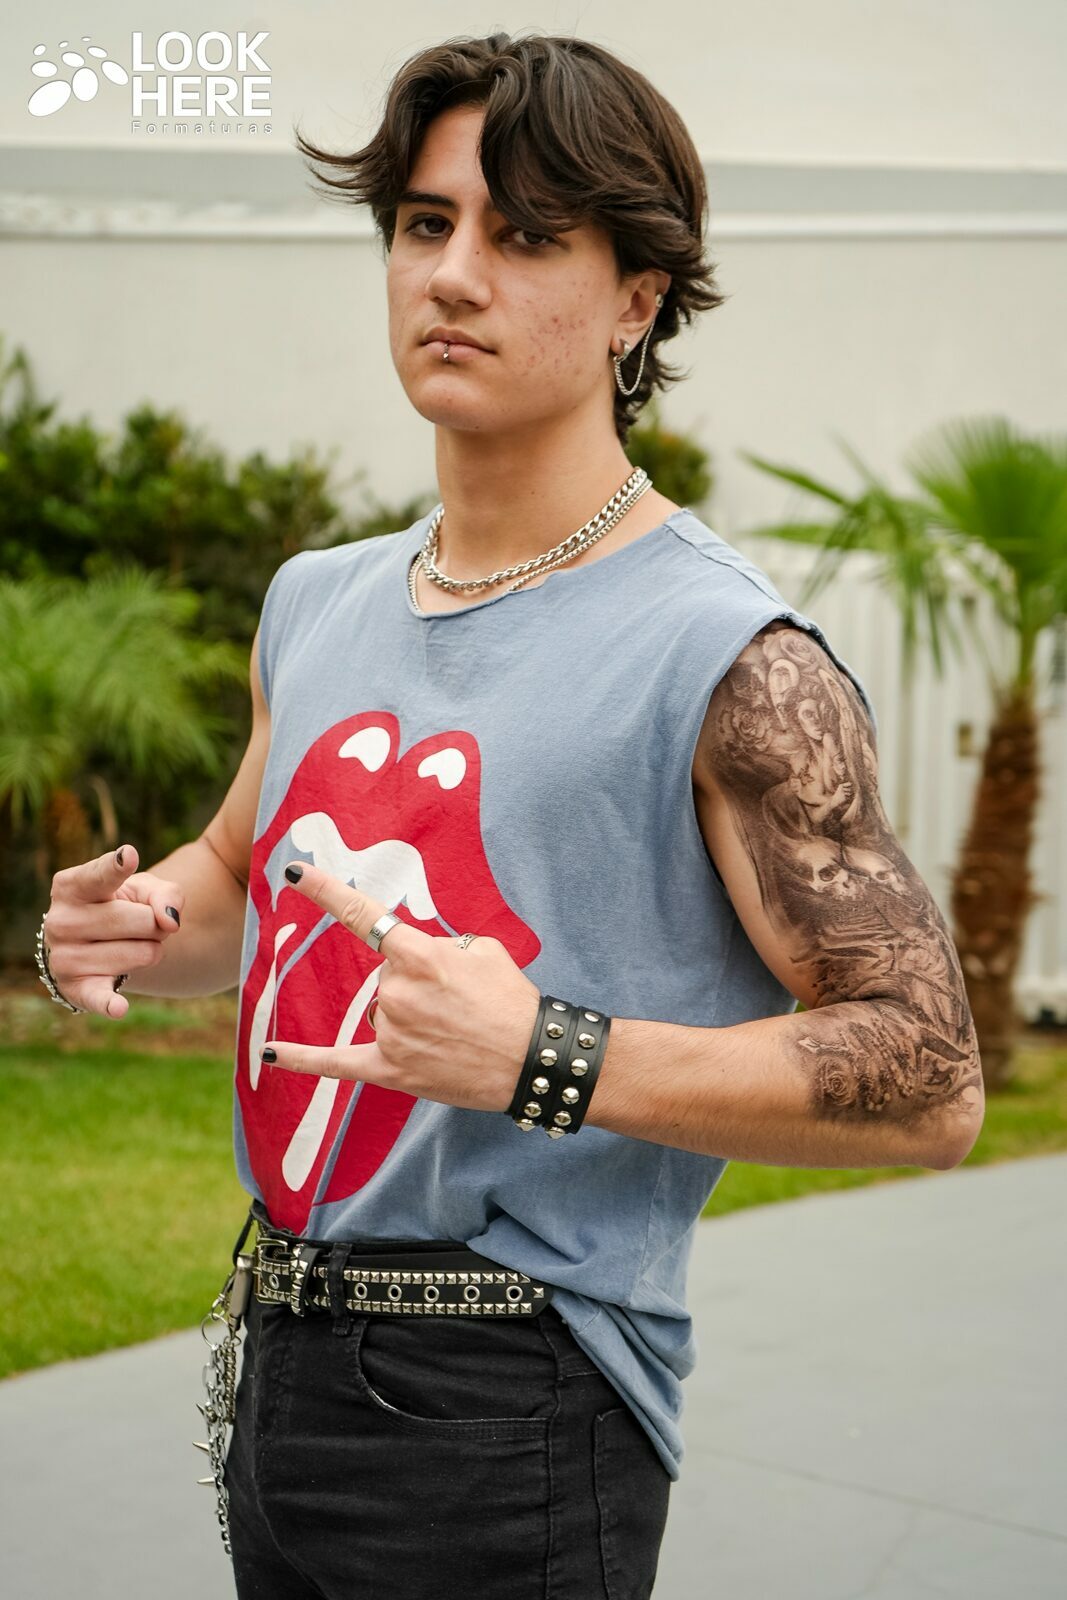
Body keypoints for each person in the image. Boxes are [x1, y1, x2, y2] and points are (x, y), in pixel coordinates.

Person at [37, 31, 985, 1600]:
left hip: (517, 1394)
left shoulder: (731, 658)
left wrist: (545, 1054)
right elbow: (242, 878)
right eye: (426, 224)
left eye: (527, 235)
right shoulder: (318, 599)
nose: (455, 274)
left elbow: (931, 1076)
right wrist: (138, 925)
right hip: (280, 1348)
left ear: (637, 300)